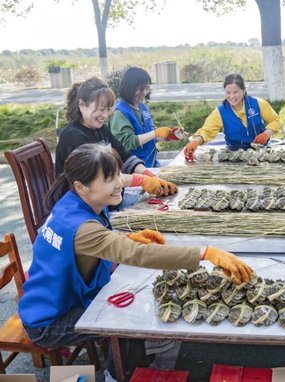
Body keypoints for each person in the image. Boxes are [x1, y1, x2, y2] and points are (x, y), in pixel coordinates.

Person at [18, 144, 253, 380]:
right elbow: (139, 255)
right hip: (49, 320)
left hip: (53, 300)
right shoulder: (82, 227)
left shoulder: (73, 201)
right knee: (124, 321)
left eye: (117, 174)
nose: (119, 183)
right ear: (82, 186)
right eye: (109, 179)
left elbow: (94, 242)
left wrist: (125, 236)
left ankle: (138, 356)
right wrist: (204, 253)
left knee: (128, 303)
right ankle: (118, 376)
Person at [55, 77, 177, 199]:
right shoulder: (73, 138)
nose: (105, 115)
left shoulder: (100, 129)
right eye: (101, 109)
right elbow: (99, 179)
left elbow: (124, 156)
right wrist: (140, 180)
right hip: (84, 208)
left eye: (108, 110)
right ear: (82, 105)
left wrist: (149, 175)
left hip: (107, 201)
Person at [183, 73, 281, 158]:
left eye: (235, 92)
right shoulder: (220, 112)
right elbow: (207, 131)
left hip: (262, 151)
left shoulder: (259, 103)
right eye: (228, 92)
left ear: (243, 90)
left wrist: (267, 133)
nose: (232, 96)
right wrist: (195, 141)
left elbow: (275, 120)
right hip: (234, 154)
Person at [110, 67, 186, 168]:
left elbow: (148, 136)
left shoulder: (143, 107)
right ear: (129, 87)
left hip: (151, 163)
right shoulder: (119, 113)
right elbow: (127, 143)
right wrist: (155, 133)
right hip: (133, 168)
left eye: (146, 88)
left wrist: (170, 135)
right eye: (141, 89)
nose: (145, 92)